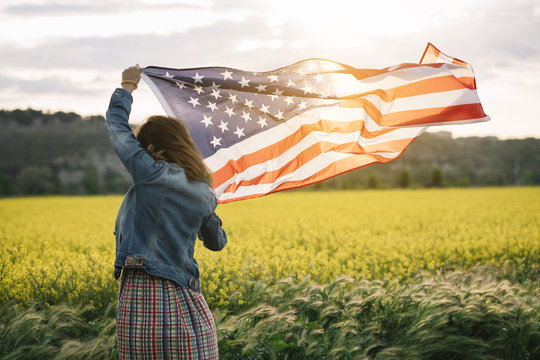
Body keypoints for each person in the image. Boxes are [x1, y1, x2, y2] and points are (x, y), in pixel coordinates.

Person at [106, 65, 227, 359]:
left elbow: (115, 126)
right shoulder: (203, 191)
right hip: (188, 305)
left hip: (145, 297)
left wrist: (127, 86)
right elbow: (217, 243)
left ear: (149, 147)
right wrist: (209, 206)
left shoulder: (150, 174)